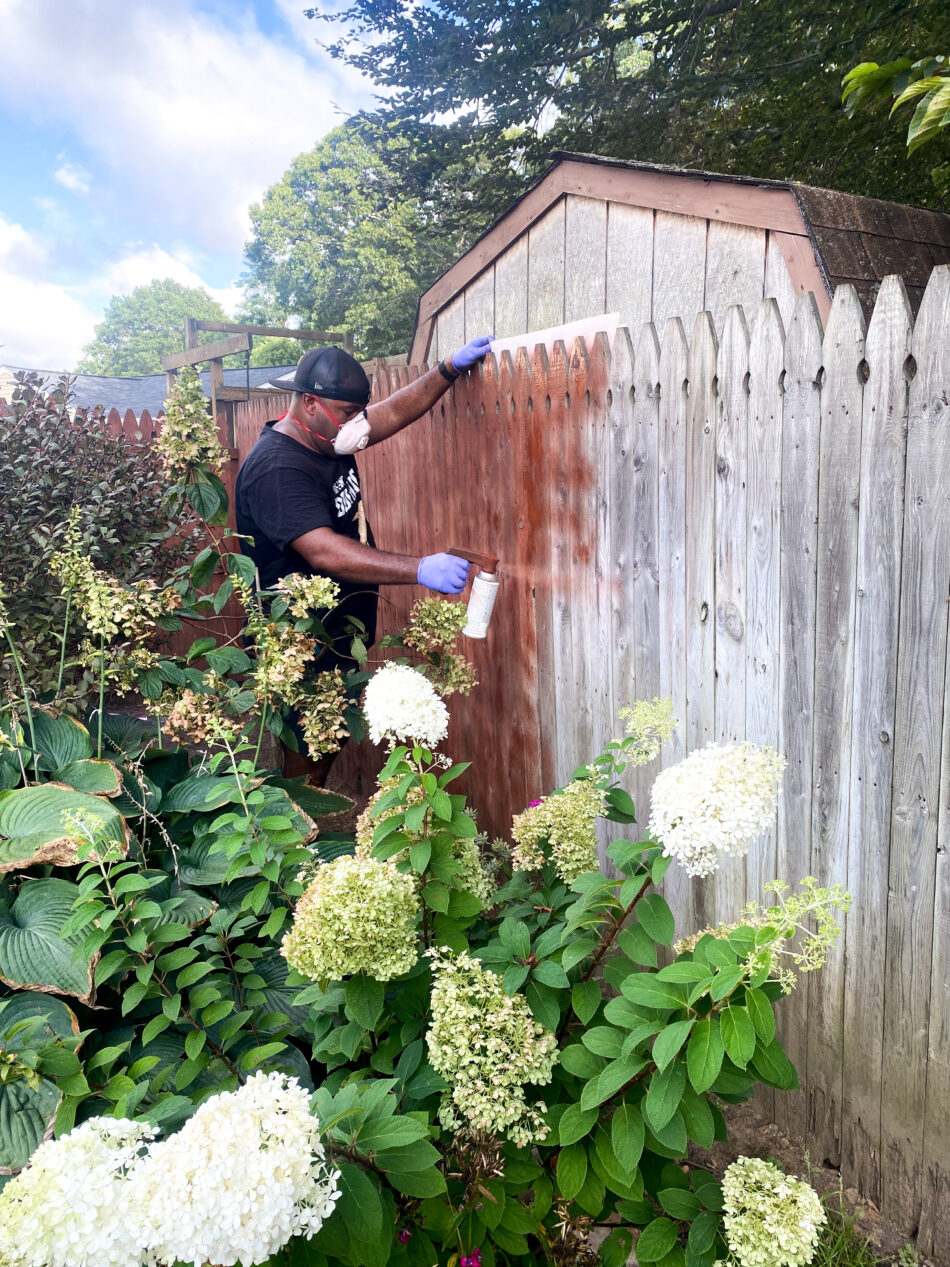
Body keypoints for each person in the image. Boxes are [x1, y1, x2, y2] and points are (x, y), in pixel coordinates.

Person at [235, 335, 492, 782]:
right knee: (309, 738)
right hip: (298, 637)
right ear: (310, 403)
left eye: (358, 412)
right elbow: (323, 551)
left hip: (335, 626)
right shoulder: (278, 468)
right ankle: (296, 831)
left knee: (327, 735)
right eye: (348, 414)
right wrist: (419, 568)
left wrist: (447, 368)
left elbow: (391, 412)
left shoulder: (328, 437)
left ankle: (301, 818)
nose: (357, 425)